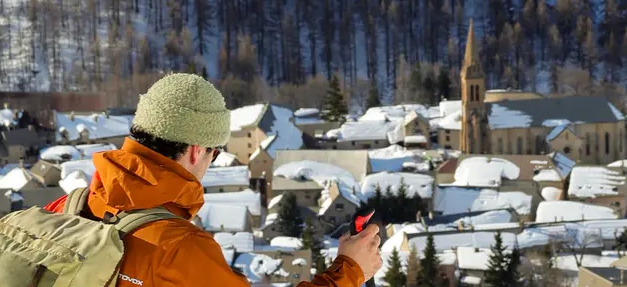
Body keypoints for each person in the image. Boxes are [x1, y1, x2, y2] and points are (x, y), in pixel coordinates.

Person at [44, 73, 382, 287]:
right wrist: (348, 271)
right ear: (195, 150)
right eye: (214, 153)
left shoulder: (65, 208)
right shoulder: (179, 249)